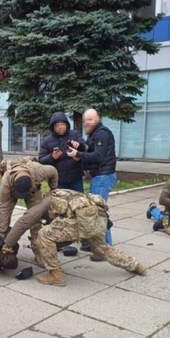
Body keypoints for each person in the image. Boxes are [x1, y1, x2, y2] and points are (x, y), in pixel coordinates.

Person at [1, 189, 146, 286]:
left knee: (44, 235)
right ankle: (134, 265)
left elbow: (25, 221)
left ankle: (56, 275)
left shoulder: (45, 202)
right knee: (102, 249)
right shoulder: (63, 194)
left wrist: (7, 245)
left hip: (80, 220)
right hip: (96, 218)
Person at [66, 108, 117, 255]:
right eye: (85, 120)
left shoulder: (102, 133)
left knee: (98, 212)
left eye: (90, 120)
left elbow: (98, 156)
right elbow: (90, 150)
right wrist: (80, 148)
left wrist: (78, 154)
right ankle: (95, 243)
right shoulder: (94, 133)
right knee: (94, 211)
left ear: (97, 119)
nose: (87, 123)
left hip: (103, 176)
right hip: (99, 176)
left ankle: (105, 248)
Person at [0, 158, 58, 248]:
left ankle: (39, 247)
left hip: (33, 191)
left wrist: (53, 189)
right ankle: (0, 244)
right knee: (3, 218)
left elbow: (54, 171)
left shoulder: (39, 171)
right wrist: (1, 232)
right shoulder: (6, 181)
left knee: (36, 219)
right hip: (12, 190)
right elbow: (4, 209)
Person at [38, 112, 86, 191]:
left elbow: (85, 149)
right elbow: (41, 160)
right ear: (53, 127)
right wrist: (52, 157)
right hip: (58, 180)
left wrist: (79, 146)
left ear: (66, 125)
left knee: (79, 201)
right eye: (57, 125)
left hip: (76, 178)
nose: (60, 127)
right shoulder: (47, 141)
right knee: (60, 202)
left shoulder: (75, 134)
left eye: (62, 124)